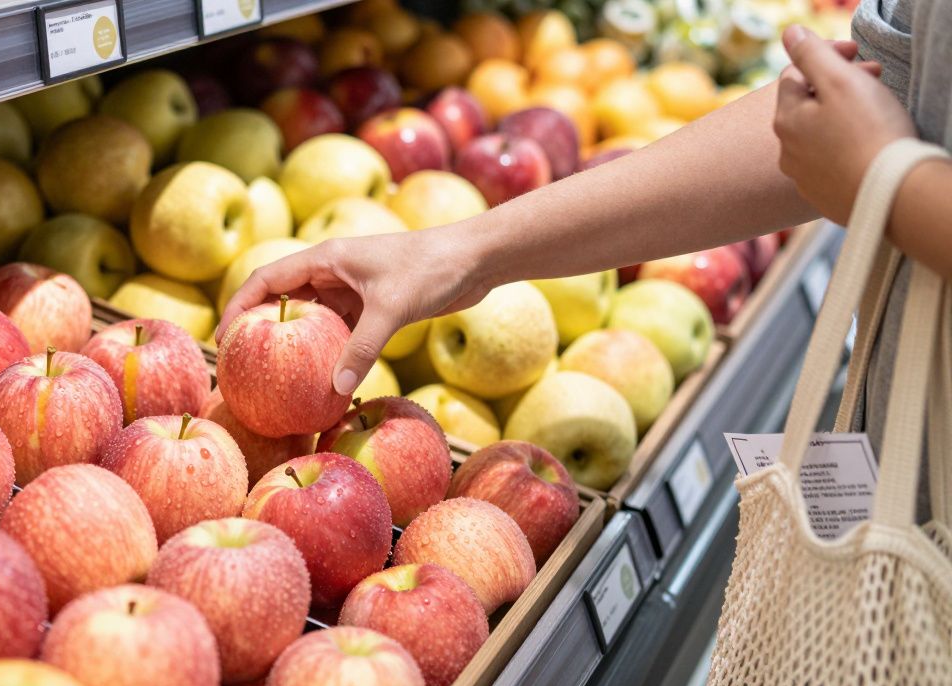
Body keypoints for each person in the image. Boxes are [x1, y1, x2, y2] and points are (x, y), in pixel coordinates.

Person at [219, 5, 951, 516]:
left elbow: (870, 137)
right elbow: (862, 98)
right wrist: (460, 251)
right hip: (910, 479)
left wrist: (888, 180)